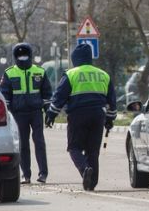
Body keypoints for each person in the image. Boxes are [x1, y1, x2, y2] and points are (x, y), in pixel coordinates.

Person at [45, 42, 116, 191]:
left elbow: (60, 96)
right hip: (98, 115)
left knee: (74, 147)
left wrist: (51, 114)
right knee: (93, 151)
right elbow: (112, 100)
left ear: (75, 58)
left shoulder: (71, 74)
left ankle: (84, 170)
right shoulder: (103, 74)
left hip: (78, 114)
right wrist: (109, 119)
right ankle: (92, 183)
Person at [0, 43, 51, 184]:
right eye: (20, 55)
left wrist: (49, 112)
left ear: (30, 55)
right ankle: (25, 174)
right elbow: (5, 95)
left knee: (39, 142)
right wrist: (7, 114)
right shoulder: (9, 73)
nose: (23, 57)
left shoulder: (40, 71)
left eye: (25, 54)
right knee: (22, 145)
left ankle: (43, 174)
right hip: (18, 114)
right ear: (15, 56)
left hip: (36, 112)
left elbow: (47, 94)